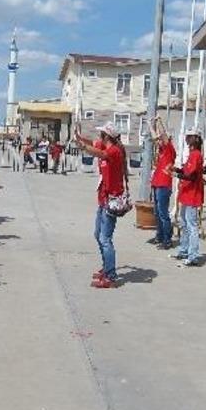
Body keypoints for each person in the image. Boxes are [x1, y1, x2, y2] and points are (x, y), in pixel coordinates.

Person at [74, 122, 126, 289]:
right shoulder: (106, 147)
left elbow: (99, 153)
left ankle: (110, 276)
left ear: (107, 136)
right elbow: (93, 145)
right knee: (98, 235)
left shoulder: (113, 151)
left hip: (111, 201)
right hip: (103, 199)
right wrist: (80, 138)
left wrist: (83, 147)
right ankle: (106, 267)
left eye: (101, 134)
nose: (98, 137)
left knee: (105, 239)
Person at [171, 128, 204, 267]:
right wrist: (176, 169)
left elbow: (192, 176)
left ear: (195, 139)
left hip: (192, 195)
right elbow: (186, 171)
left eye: (189, 137)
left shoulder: (196, 155)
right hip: (186, 194)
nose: (186, 139)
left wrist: (177, 175)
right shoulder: (191, 154)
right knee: (184, 223)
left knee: (191, 225)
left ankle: (193, 255)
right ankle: (184, 250)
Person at [149, 116, 175, 249]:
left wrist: (159, 121)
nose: (158, 141)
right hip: (157, 184)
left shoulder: (170, 149)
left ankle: (167, 239)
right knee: (157, 212)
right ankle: (159, 236)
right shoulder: (162, 151)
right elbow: (156, 138)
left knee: (163, 213)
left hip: (164, 185)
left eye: (161, 140)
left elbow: (163, 136)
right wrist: (150, 125)